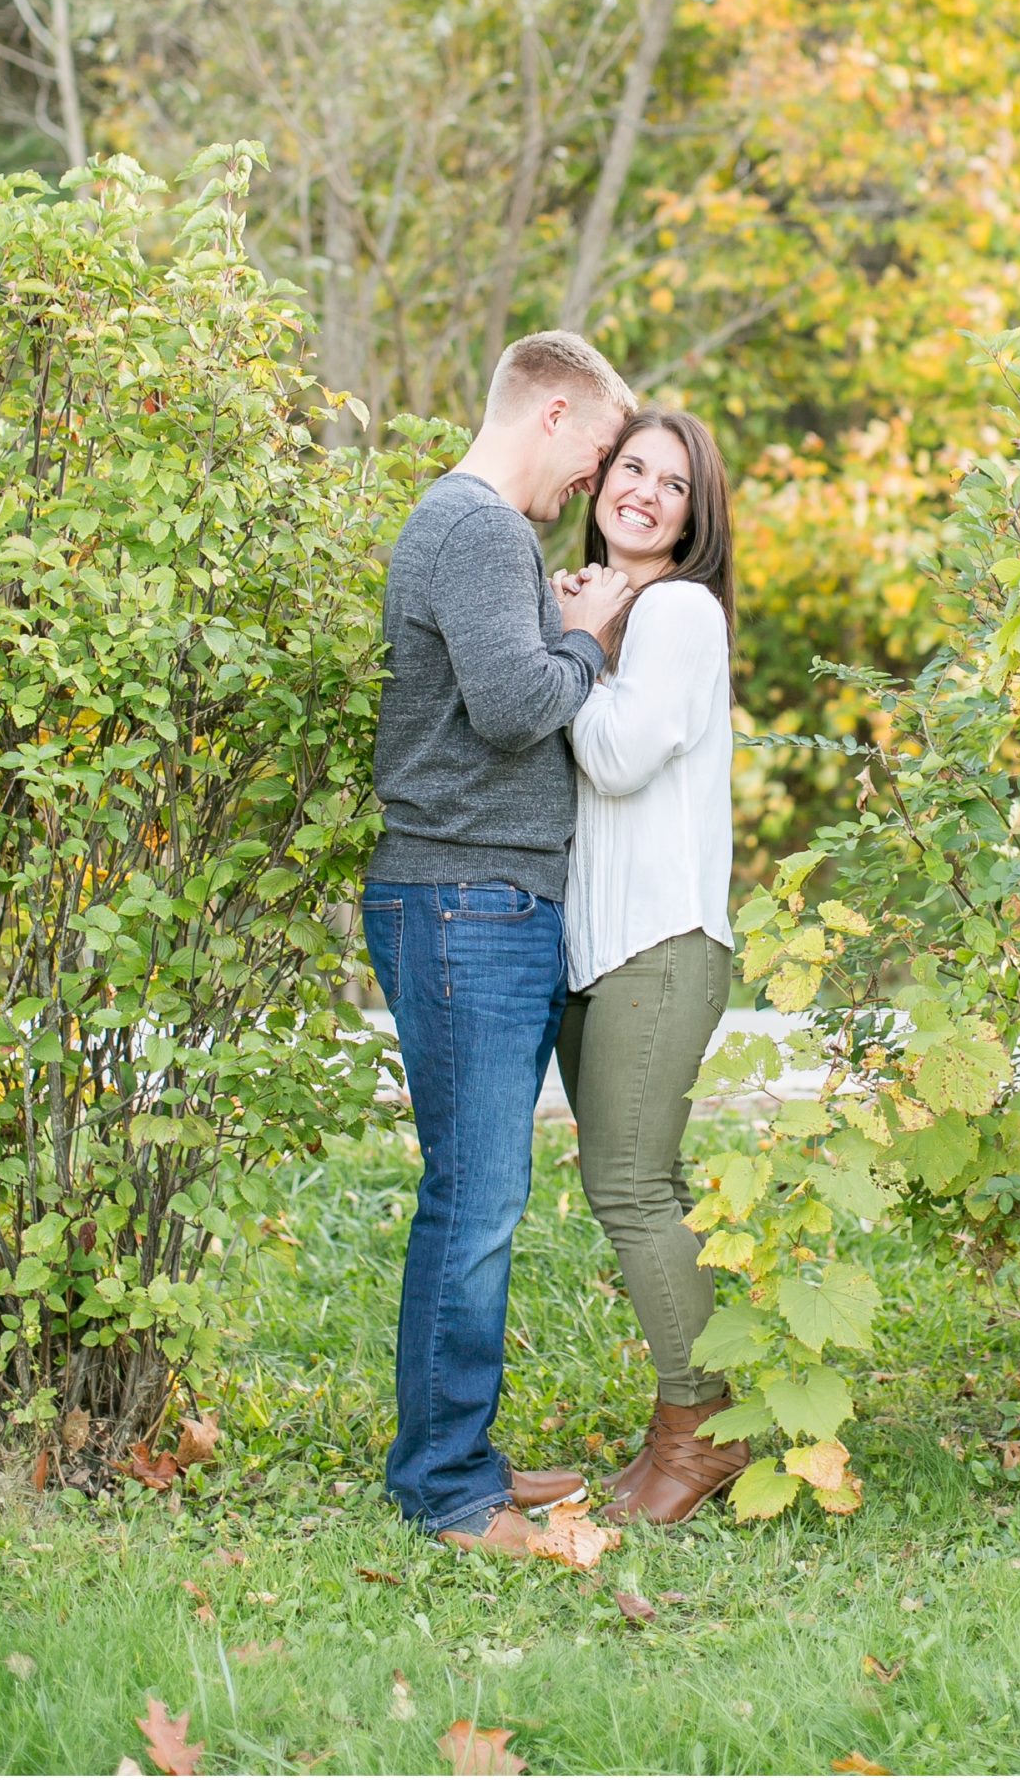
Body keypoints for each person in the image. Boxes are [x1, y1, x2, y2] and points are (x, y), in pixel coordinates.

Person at [364, 329, 634, 1553]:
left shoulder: (482, 535)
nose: (598, 476)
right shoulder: (476, 526)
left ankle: (452, 1454)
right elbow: (518, 705)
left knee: (476, 1197)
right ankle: (445, 1494)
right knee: (473, 1202)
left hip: (480, 899)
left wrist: (556, 622)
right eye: (597, 447)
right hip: (465, 899)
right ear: (555, 410)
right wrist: (591, 631)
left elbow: (506, 684)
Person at [553, 407, 750, 1524]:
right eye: (630, 467)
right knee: (637, 1186)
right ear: (601, 481)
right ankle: (685, 1426)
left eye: (670, 485)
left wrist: (581, 638)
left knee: (628, 1187)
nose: (642, 492)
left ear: (691, 517)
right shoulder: (609, 609)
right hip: (603, 950)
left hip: (659, 943)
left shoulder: (672, 610)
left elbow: (620, 758)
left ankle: (701, 1433)